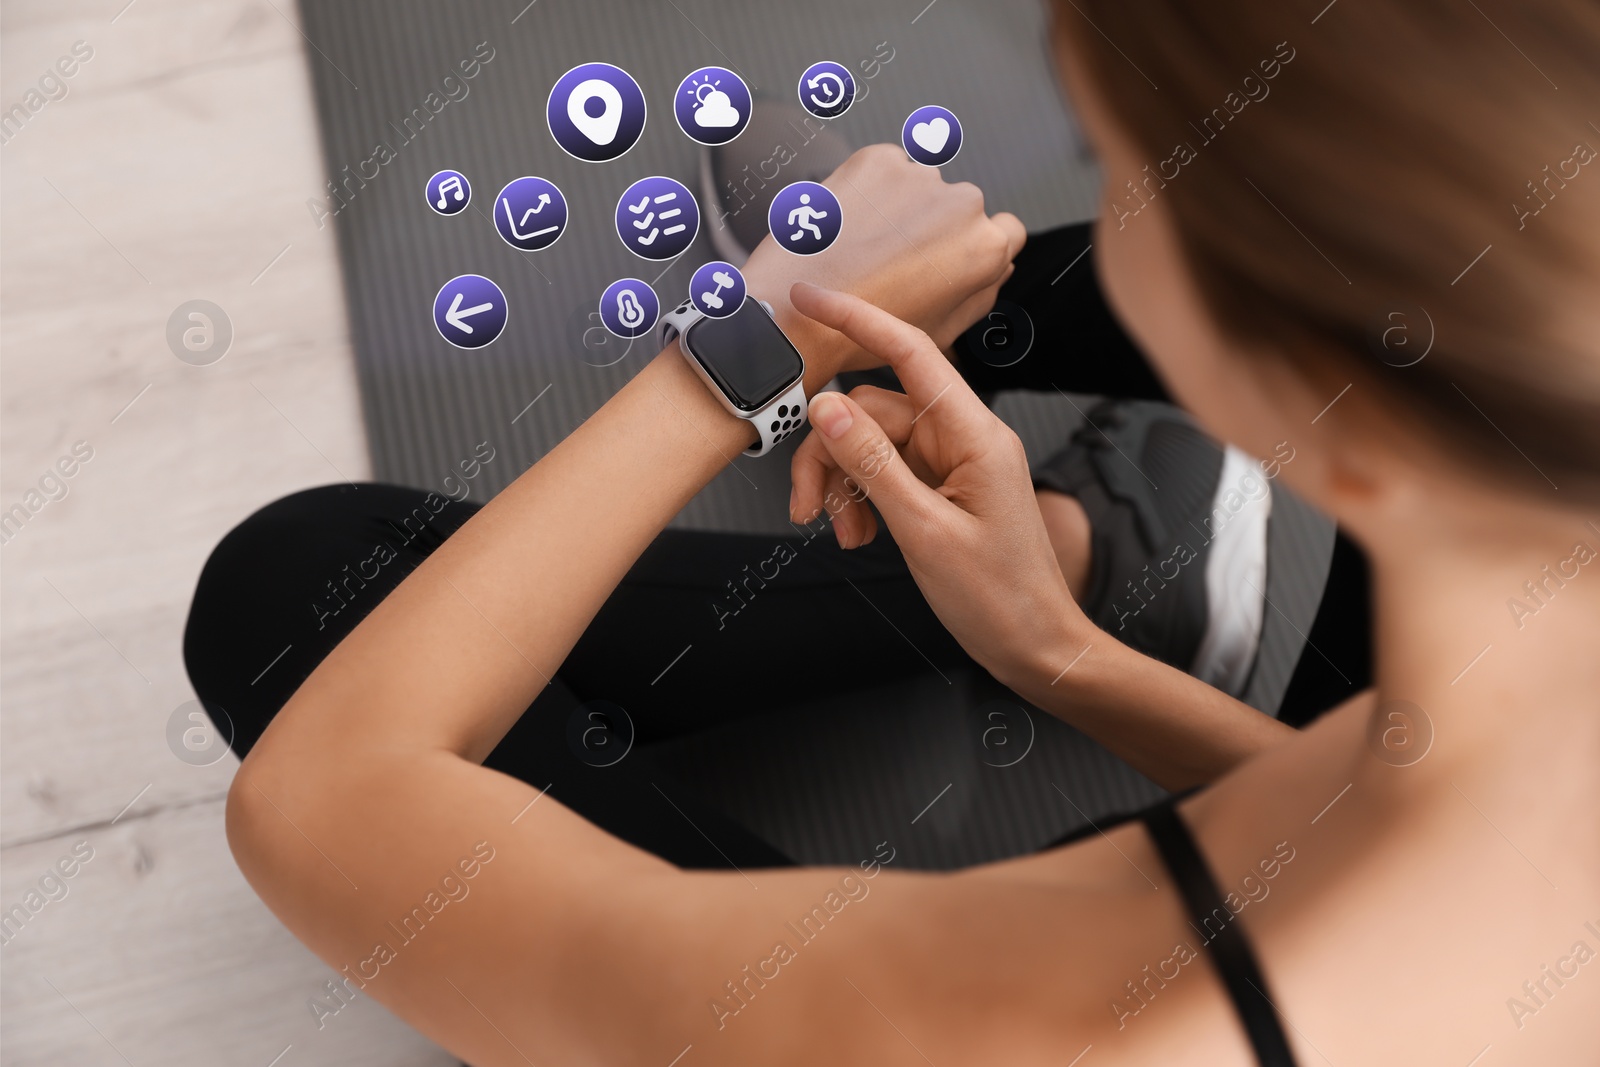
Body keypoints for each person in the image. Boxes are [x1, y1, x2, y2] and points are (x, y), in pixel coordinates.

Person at [187, 2, 1600, 1064]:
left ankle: (932, 393)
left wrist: (750, 345)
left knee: (300, 600)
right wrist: (1055, 653)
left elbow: (320, 803)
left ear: (1317, 415)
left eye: (1120, 166)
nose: (1111, 195)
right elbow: (1384, 806)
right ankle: (1088, 559)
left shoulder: (1015, 1020)